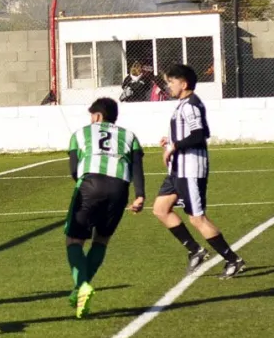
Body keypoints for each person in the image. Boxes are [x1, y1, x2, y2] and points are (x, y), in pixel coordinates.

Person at [153, 64, 245, 278]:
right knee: (160, 209)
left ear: (183, 84)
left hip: (190, 170)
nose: (169, 86)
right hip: (177, 170)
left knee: (197, 218)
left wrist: (175, 146)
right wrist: (170, 140)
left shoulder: (190, 105)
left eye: (172, 82)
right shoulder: (183, 104)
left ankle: (233, 260)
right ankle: (195, 250)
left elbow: (200, 134)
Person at [65, 97, 145, 318]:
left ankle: (82, 285)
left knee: (74, 241)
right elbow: (137, 167)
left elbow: (73, 169)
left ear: (98, 116)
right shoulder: (129, 136)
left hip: (90, 185)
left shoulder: (80, 134)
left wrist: (85, 187)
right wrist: (140, 195)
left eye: (92, 115)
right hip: (119, 189)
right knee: (101, 240)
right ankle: (79, 291)